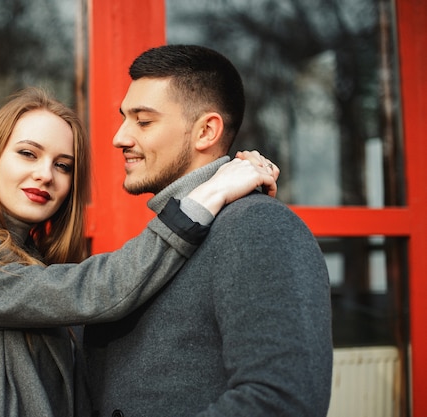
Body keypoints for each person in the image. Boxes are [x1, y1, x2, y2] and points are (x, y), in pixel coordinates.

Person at [0, 87, 279, 416]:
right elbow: (100, 290)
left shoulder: (44, 266)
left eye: (63, 165)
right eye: (28, 154)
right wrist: (213, 190)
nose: (46, 174)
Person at [83, 44, 333, 417]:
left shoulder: (257, 226)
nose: (120, 137)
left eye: (143, 121)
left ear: (206, 131)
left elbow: (282, 399)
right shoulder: (172, 232)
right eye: (124, 118)